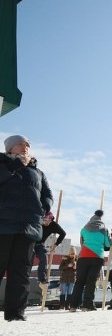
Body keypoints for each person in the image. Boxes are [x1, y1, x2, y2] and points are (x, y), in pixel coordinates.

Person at [0, 135, 53, 321]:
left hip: (28, 227)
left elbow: (47, 194)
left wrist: (44, 208)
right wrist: (15, 166)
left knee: (20, 272)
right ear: (10, 148)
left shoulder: (38, 172)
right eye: (20, 144)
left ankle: (15, 314)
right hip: (3, 225)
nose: (25, 148)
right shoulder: (2, 163)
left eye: (28, 145)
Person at [69, 210, 111, 312]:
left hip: (83, 257)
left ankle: (73, 305)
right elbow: (108, 245)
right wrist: (111, 239)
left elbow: (82, 242)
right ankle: (87, 305)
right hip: (97, 257)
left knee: (79, 282)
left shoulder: (83, 229)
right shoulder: (104, 230)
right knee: (90, 282)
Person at [34, 211, 67, 285]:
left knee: (44, 259)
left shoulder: (54, 225)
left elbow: (63, 233)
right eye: (44, 220)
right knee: (28, 260)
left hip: (40, 244)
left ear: (51, 219)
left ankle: (42, 278)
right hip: (31, 242)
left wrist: (55, 244)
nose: (45, 222)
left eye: (47, 220)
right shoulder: (38, 221)